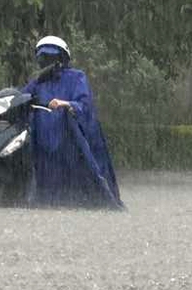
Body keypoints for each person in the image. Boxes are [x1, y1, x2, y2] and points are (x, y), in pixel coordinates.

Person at [21, 36, 122, 208]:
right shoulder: (37, 83)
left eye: (52, 57)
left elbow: (84, 104)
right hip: (44, 140)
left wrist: (66, 104)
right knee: (42, 174)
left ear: (62, 59)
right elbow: (19, 97)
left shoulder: (77, 78)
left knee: (84, 173)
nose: (48, 62)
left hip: (70, 139)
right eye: (44, 58)